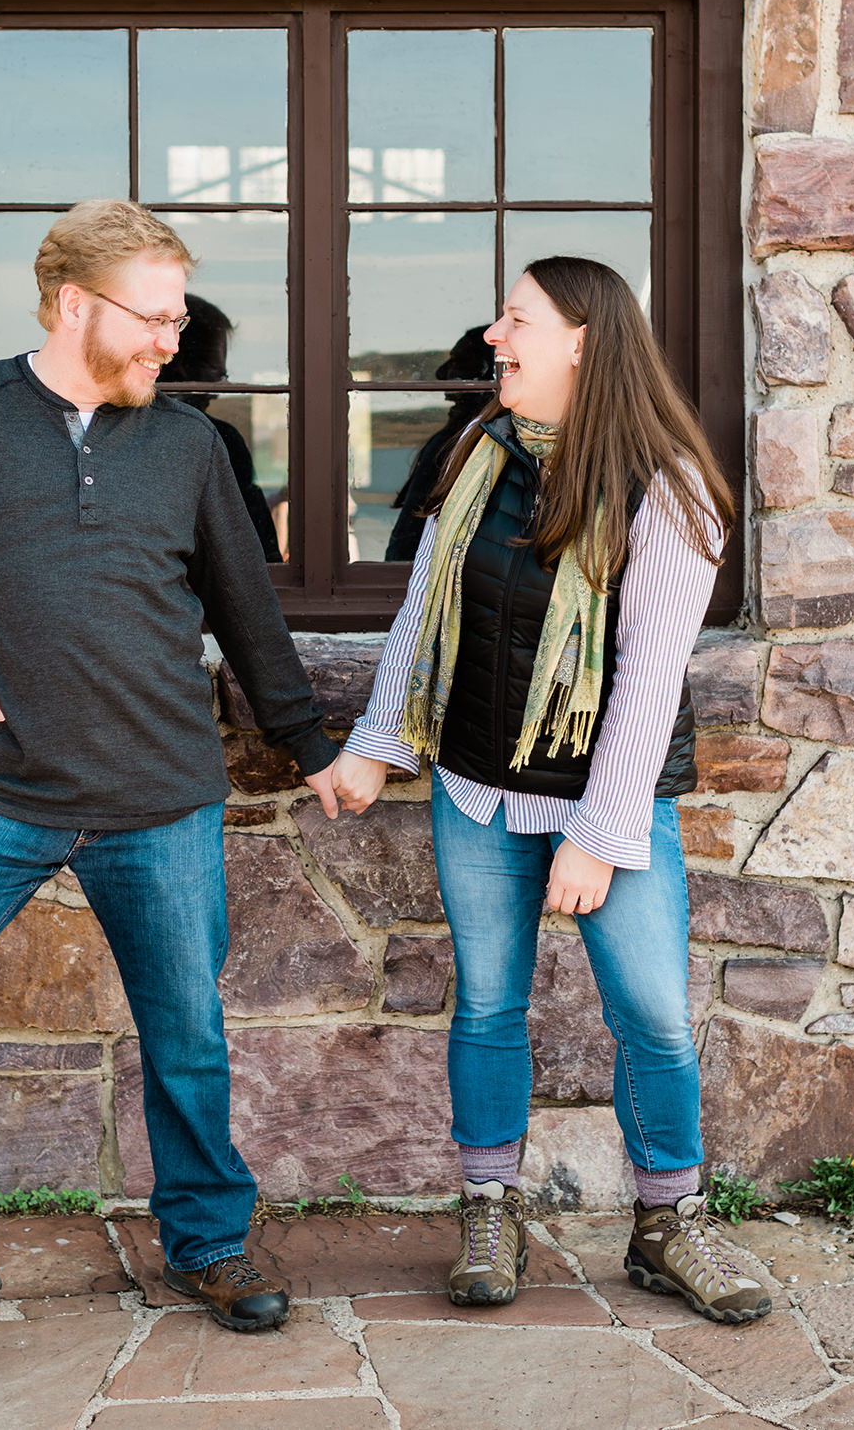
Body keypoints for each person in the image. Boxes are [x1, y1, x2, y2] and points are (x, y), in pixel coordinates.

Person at [0, 200, 341, 1403]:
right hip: (3, 789)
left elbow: (248, 608)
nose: (174, 339)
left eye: (180, 315)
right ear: (74, 304)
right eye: (154, 316)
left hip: (162, 794)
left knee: (185, 1032)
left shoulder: (187, 445)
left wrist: (309, 747)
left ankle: (205, 1241)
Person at [323, 257, 768, 1324]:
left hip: (599, 803)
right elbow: (424, 612)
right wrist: (376, 742)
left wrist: (600, 834)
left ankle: (669, 1220)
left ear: (580, 339)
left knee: (653, 1014)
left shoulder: (669, 488)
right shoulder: (476, 452)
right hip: (475, 786)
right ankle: (488, 1207)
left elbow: (650, 681)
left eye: (515, 319)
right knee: (486, 1004)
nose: (492, 335)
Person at [160, 292, 282, 560]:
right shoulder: (219, 439)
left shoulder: (107, 431)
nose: (216, 392)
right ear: (182, 365)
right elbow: (260, 548)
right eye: (216, 374)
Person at [384, 327, 497, 562]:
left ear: (488, 376)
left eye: (460, 362)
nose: (442, 373)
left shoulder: (472, 442)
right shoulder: (455, 440)